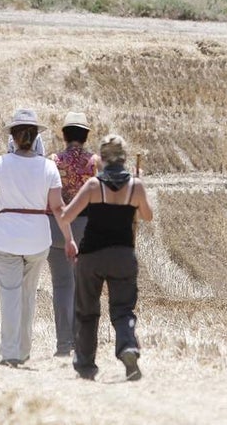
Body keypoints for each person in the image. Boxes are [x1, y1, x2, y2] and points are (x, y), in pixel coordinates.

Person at [0, 108, 74, 368]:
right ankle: (24, 349)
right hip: (38, 238)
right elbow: (58, 208)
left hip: (6, 237)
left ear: (14, 138)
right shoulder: (49, 167)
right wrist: (69, 238)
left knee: (10, 294)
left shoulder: (1, 164)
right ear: (35, 136)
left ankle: (10, 351)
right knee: (28, 295)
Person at [59, 134, 153, 381]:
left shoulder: (92, 186)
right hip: (123, 254)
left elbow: (67, 216)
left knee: (88, 312)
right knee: (123, 310)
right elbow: (147, 216)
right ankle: (128, 348)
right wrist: (136, 194)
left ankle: (86, 365)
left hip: (91, 256)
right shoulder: (135, 186)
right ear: (124, 158)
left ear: (101, 159)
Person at [47, 111, 96, 356]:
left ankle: (63, 344)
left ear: (64, 135)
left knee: (61, 286)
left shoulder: (54, 160)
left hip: (56, 227)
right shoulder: (94, 162)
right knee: (81, 287)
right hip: (86, 229)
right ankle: (79, 340)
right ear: (86, 136)